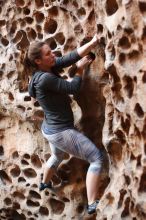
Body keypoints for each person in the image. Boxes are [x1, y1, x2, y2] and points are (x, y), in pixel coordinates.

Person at [25, 34, 104, 215]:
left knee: (57, 156)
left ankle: (44, 183)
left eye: (51, 51)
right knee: (96, 158)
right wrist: (79, 70)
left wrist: (92, 43)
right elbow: (73, 88)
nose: (53, 55)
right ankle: (92, 203)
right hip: (61, 132)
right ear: (38, 60)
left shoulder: (38, 74)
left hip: (49, 128)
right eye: (48, 54)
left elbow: (69, 58)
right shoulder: (45, 78)